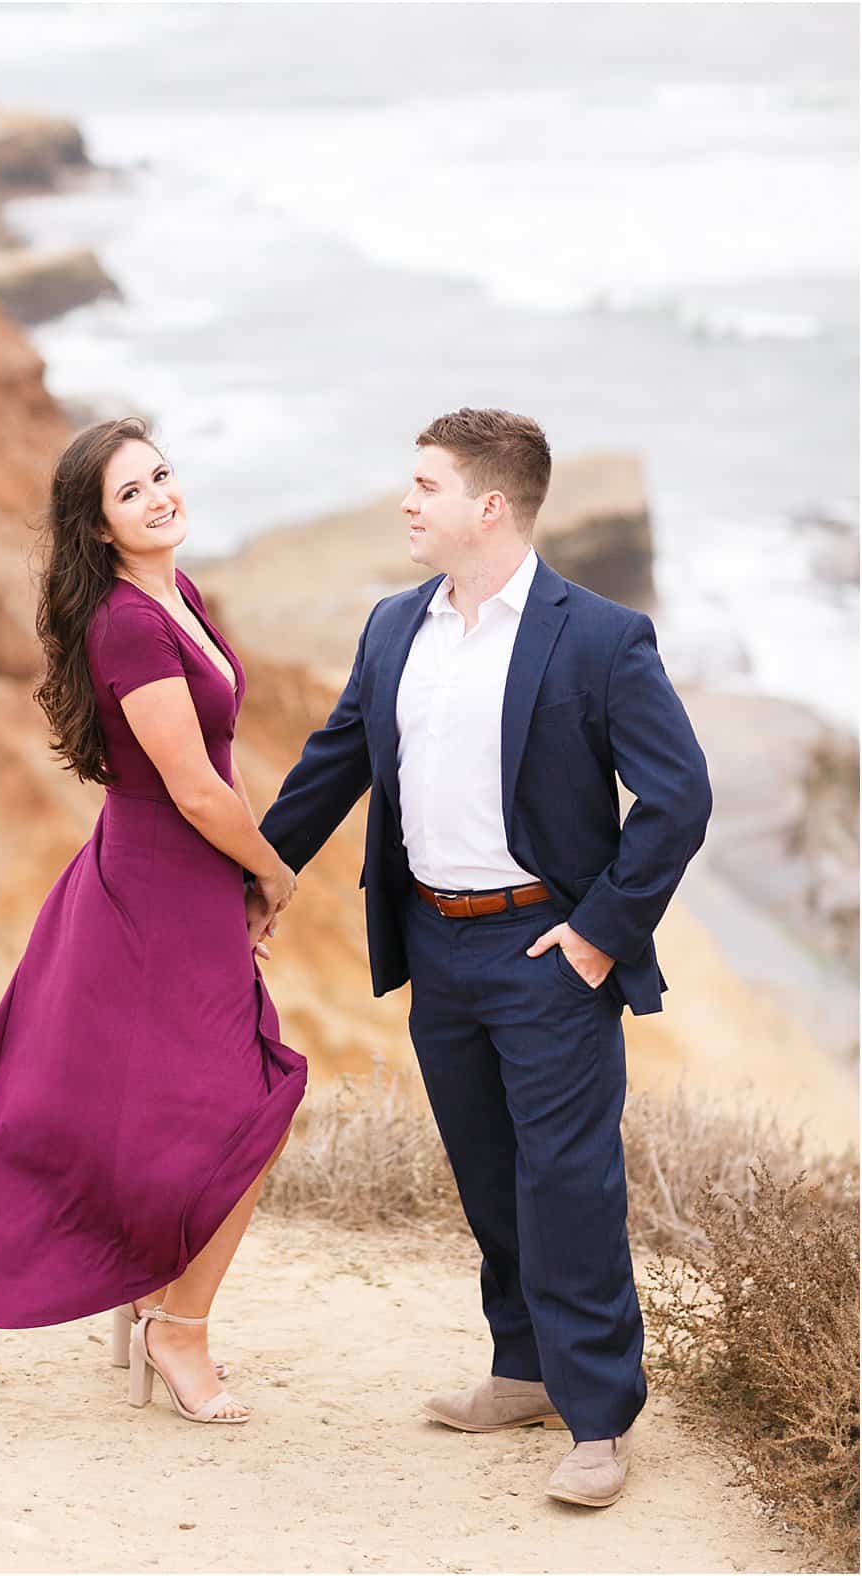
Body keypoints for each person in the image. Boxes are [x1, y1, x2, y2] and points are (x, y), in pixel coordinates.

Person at [249, 407, 712, 1503]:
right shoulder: (390, 625)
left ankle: (598, 1420)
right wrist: (254, 879)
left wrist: (598, 935)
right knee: (488, 1174)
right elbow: (331, 765)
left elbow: (678, 795)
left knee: (568, 1182)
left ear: (487, 507)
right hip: (433, 943)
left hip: (544, 948)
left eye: (423, 485)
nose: (405, 503)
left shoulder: (597, 637)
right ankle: (522, 1367)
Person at [0, 417, 305, 1426]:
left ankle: (151, 1290)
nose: (158, 499)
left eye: (160, 477)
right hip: (151, 887)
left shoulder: (172, 592)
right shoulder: (129, 627)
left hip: (176, 883)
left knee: (176, 1105)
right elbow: (192, 787)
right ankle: (175, 1323)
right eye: (130, 494)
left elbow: (204, 775)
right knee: (247, 1102)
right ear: (98, 531)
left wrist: (233, 879)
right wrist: (269, 870)